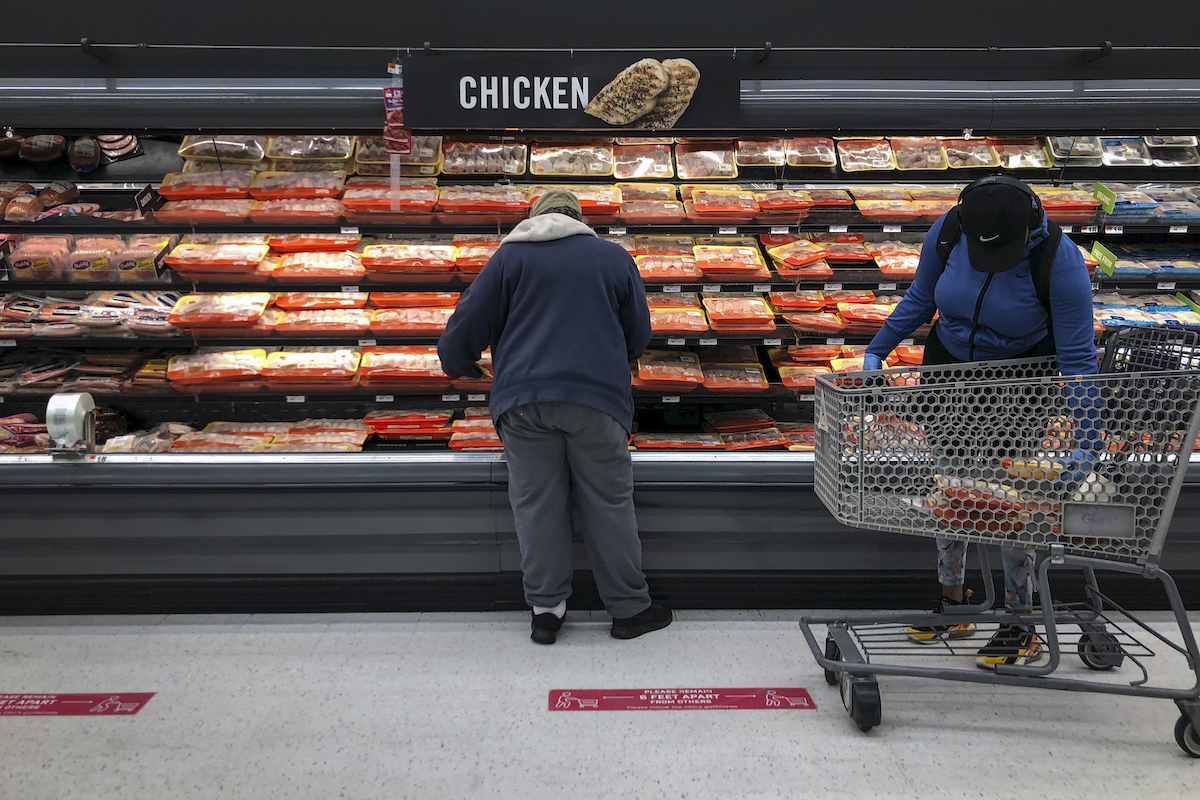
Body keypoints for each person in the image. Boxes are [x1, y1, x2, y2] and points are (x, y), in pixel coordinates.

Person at [862, 175, 1098, 670]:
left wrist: (1087, 441)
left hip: (1016, 386)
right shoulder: (949, 230)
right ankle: (956, 603)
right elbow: (922, 297)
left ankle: (1020, 622)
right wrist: (877, 349)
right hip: (947, 374)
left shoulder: (1060, 261)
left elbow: (1077, 358)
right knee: (950, 488)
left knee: (1009, 502)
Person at [438, 189, 672, 645]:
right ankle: (629, 610)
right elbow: (638, 334)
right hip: (597, 401)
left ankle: (547, 612)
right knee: (609, 502)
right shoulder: (611, 257)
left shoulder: (508, 259)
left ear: (534, 219)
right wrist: (608, 360)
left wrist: (460, 365)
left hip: (524, 402)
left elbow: (465, 326)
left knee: (536, 504)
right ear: (579, 220)